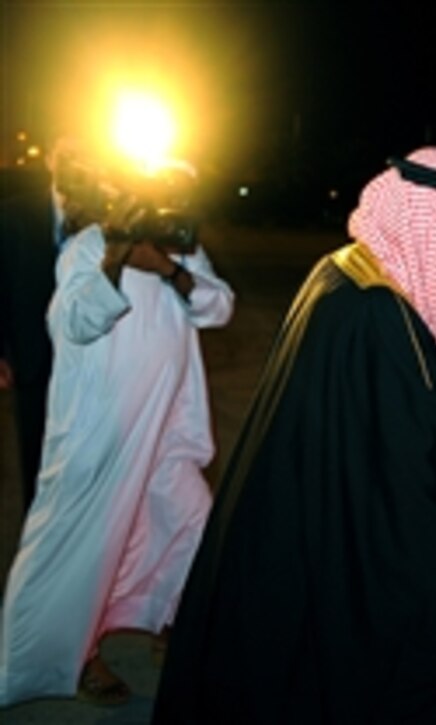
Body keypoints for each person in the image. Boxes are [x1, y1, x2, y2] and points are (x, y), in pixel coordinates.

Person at [152, 147, 436, 724]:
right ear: (430, 223)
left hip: (296, 545)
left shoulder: (344, 272)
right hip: (317, 571)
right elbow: (433, 470)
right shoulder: (377, 313)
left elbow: (400, 432)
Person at [0, 159, 234, 707]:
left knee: (195, 526)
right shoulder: (89, 247)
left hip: (169, 436)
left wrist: (170, 271)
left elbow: (219, 306)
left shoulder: (181, 248)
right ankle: (64, 659)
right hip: (99, 434)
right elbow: (72, 321)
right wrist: (118, 258)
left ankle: (177, 628)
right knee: (76, 552)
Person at [0, 136, 83, 518]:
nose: (72, 163)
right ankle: (38, 534)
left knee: (84, 453)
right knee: (35, 450)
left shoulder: (106, 216)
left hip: (88, 359)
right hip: (33, 357)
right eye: (65, 154)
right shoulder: (14, 215)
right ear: (50, 159)